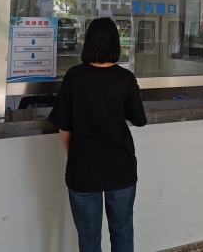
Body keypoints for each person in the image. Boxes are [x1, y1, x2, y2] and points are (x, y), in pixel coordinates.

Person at [48, 17, 147, 252]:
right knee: (122, 232)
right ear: (115, 43)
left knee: (88, 238)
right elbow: (139, 120)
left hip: (82, 168)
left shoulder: (74, 76)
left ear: (88, 42)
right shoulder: (125, 78)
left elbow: (64, 125)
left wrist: (74, 155)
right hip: (120, 167)